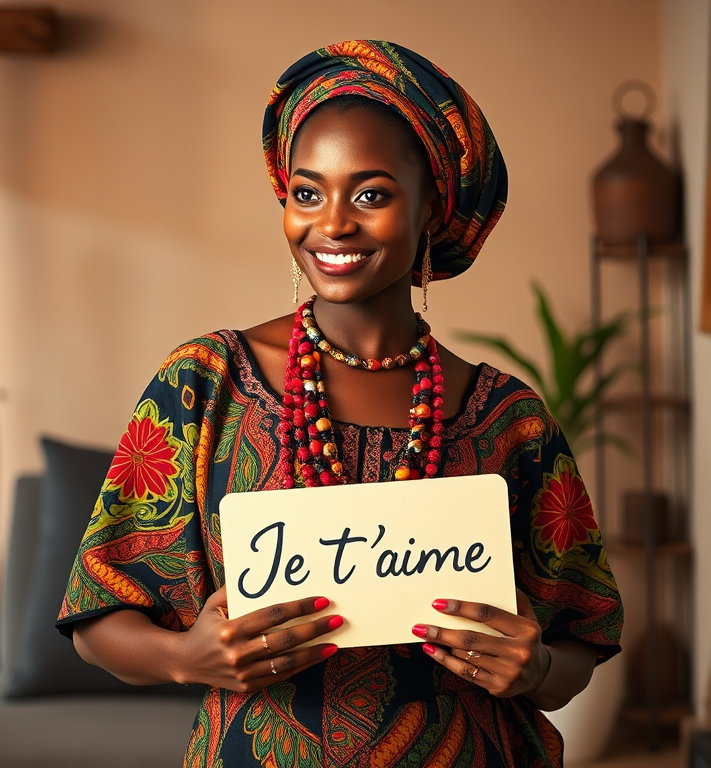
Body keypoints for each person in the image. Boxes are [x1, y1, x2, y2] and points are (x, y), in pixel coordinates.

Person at [57, 40, 623, 767]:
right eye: (306, 191)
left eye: (371, 193)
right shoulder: (205, 382)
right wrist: (186, 658)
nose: (331, 223)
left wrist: (538, 668)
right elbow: (97, 616)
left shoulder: (511, 418)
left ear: (432, 209)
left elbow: (584, 638)